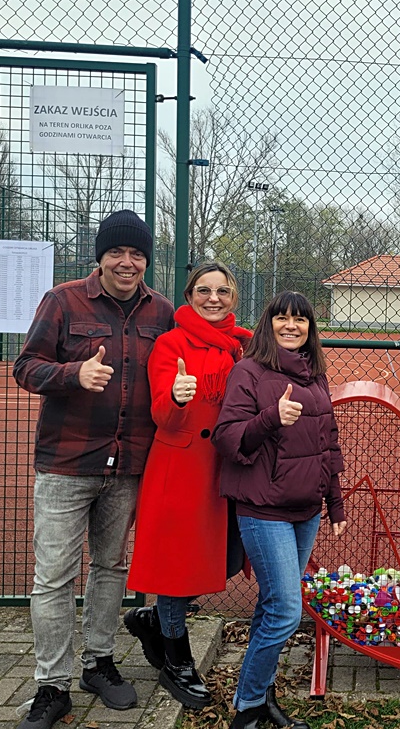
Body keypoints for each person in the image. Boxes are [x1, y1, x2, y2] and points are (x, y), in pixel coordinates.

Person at [12, 210, 175, 729]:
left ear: (146, 259)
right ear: (100, 256)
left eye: (137, 254)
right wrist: (72, 373)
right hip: (66, 463)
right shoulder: (63, 300)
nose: (127, 263)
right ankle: (51, 686)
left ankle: (98, 663)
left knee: (111, 568)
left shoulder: (162, 312)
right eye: (117, 253)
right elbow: (25, 367)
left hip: (129, 464)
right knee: (54, 577)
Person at [213, 291, 347, 729]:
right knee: (287, 610)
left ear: (311, 328)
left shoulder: (316, 376)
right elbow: (228, 438)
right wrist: (271, 417)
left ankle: (262, 696)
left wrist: (335, 503)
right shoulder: (248, 372)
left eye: (301, 320)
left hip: (305, 509)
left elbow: (328, 445)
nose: (291, 326)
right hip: (263, 509)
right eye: (282, 318)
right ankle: (247, 706)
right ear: (268, 324)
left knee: (271, 605)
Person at [125, 261, 252, 709]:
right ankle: (177, 663)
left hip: (226, 469)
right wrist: (178, 398)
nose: (213, 298)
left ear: (233, 296)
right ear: (189, 294)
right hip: (181, 470)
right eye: (204, 290)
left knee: (229, 558)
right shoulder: (170, 343)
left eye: (222, 290)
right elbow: (162, 412)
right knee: (177, 573)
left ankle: (153, 620)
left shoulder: (244, 347)